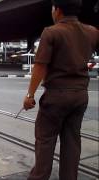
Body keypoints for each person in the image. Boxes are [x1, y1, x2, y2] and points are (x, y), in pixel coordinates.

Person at [23, 0, 99, 179]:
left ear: (57, 10)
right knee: (72, 142)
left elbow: (40, 66)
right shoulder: (92, 32)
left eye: (52, 8)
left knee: (45, 142)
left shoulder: (51, 32)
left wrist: (29, 95)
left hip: (56, 98)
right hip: (80, 96)